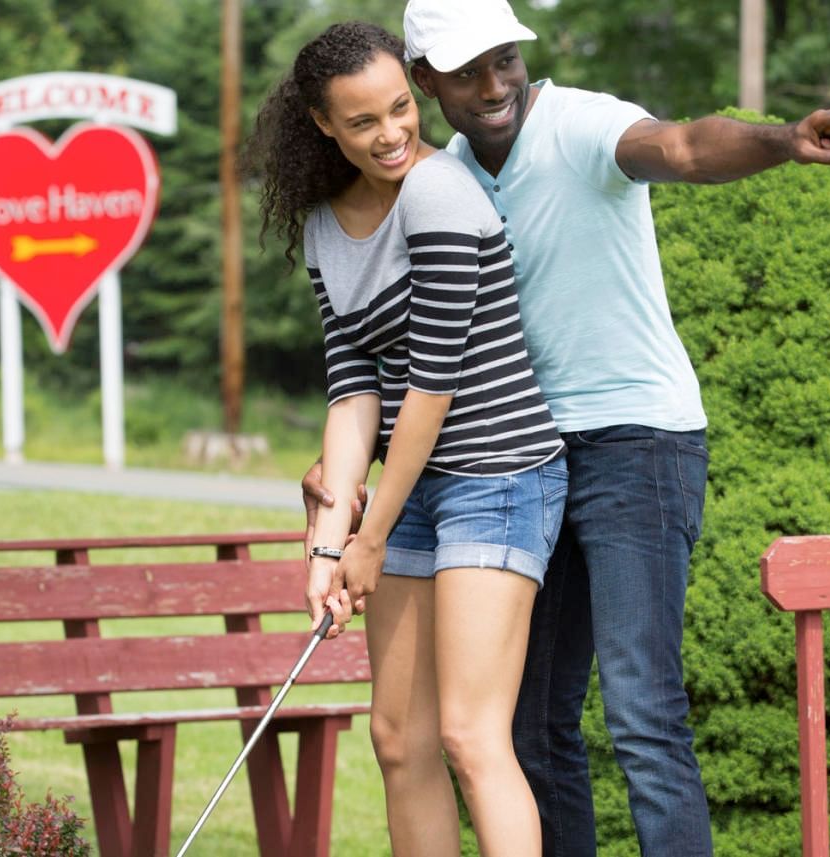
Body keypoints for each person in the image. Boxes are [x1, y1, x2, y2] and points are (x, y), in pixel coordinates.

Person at [303, 2, 830, 855]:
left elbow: (679, 147)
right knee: (529, 725)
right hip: (524, 450)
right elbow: (383, 354)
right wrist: (335, 479)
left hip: (637, 438)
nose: (494, 84)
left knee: (641, 711)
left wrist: (783, 140)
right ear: (427, 82)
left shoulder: (579, 123)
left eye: (504, 60)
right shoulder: (432, 171)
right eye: (466, 71)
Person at [250, 21, 567, 857]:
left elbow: (429, 384)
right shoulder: (325, 226)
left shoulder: (441, 193)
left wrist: (370, 536)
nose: (392, 134)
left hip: (497, 479)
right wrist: (327, 545)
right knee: (399, 740)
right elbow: (354, 388)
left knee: (469, 735)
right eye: (364, 123)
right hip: (415, 488)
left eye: (401, 109)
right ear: (323, 124)